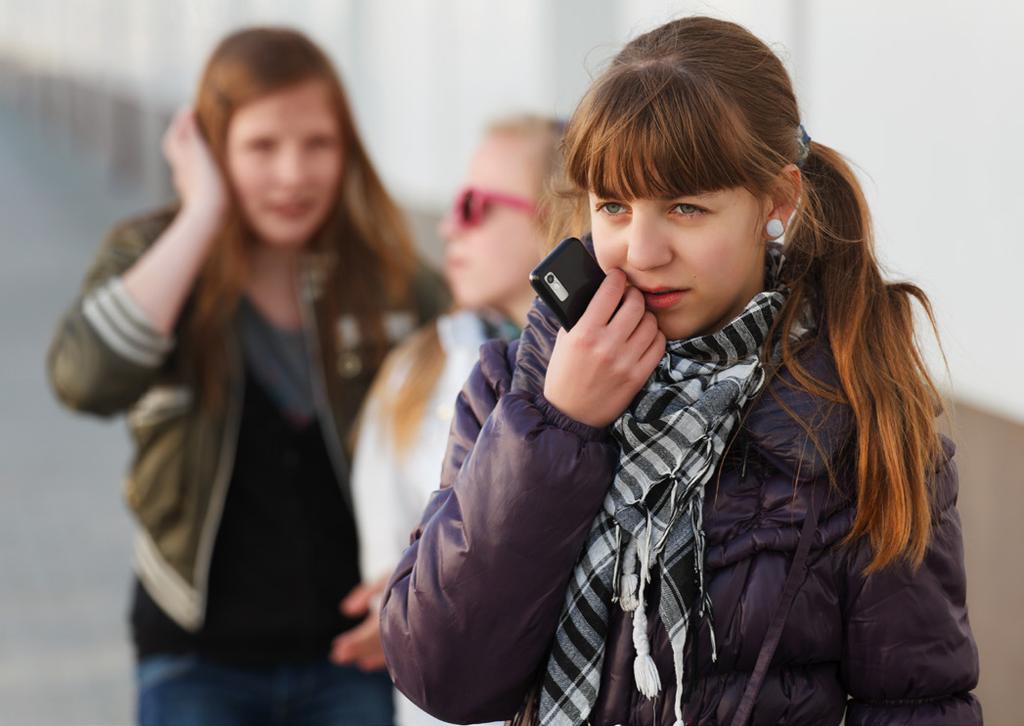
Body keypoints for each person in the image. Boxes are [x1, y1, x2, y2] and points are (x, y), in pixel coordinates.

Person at [379, 16, 981, 726]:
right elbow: (443, 676)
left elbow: (917, 703)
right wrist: (558, 428)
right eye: (613, 206)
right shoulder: (514, 388)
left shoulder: (861, 413)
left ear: (776, 201)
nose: (641, 248)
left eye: (686, 208)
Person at [47, 27, 447, 725]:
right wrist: (203, 213)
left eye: (317, 144)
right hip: (196, 658)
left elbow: (470, 451)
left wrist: (419, 581)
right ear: (210, 148)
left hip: (351, 661)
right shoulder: (159, 258)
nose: (292, 174)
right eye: (262, 146)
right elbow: (85, 377)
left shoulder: (386, 284)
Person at [335, 115, 562, 726]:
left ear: (558, 218)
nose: (447, 225)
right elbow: (386, 559)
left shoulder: (628, 367)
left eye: (474, 205)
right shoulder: (415, 373)